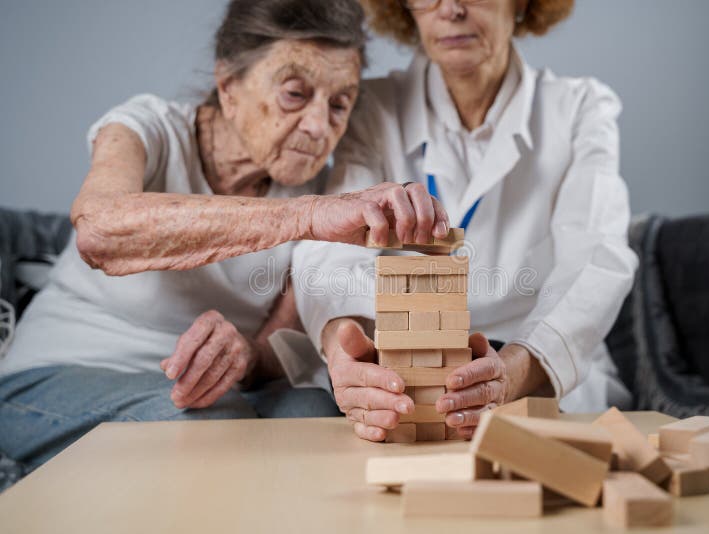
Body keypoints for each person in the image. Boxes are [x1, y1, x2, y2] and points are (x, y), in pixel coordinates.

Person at [0, 0, 448, 468]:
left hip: (209, 393)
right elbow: (100, 230)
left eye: (339, 104)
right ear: (229, 85)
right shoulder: (149, 127)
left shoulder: (320, 195)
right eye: (295, 94)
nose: (319, 127)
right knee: (212, 428)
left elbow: (277, 346)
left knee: (316, 415)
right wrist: (306, 216)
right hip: (58, 374)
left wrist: (245, 355)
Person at [291, 0, 638, 441]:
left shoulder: (580, 108)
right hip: (403, 381)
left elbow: (596, 260)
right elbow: (328, 248)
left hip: (536, 377)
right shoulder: (371, 109)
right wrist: (346, 345)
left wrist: (511, 372)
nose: (451, 9)